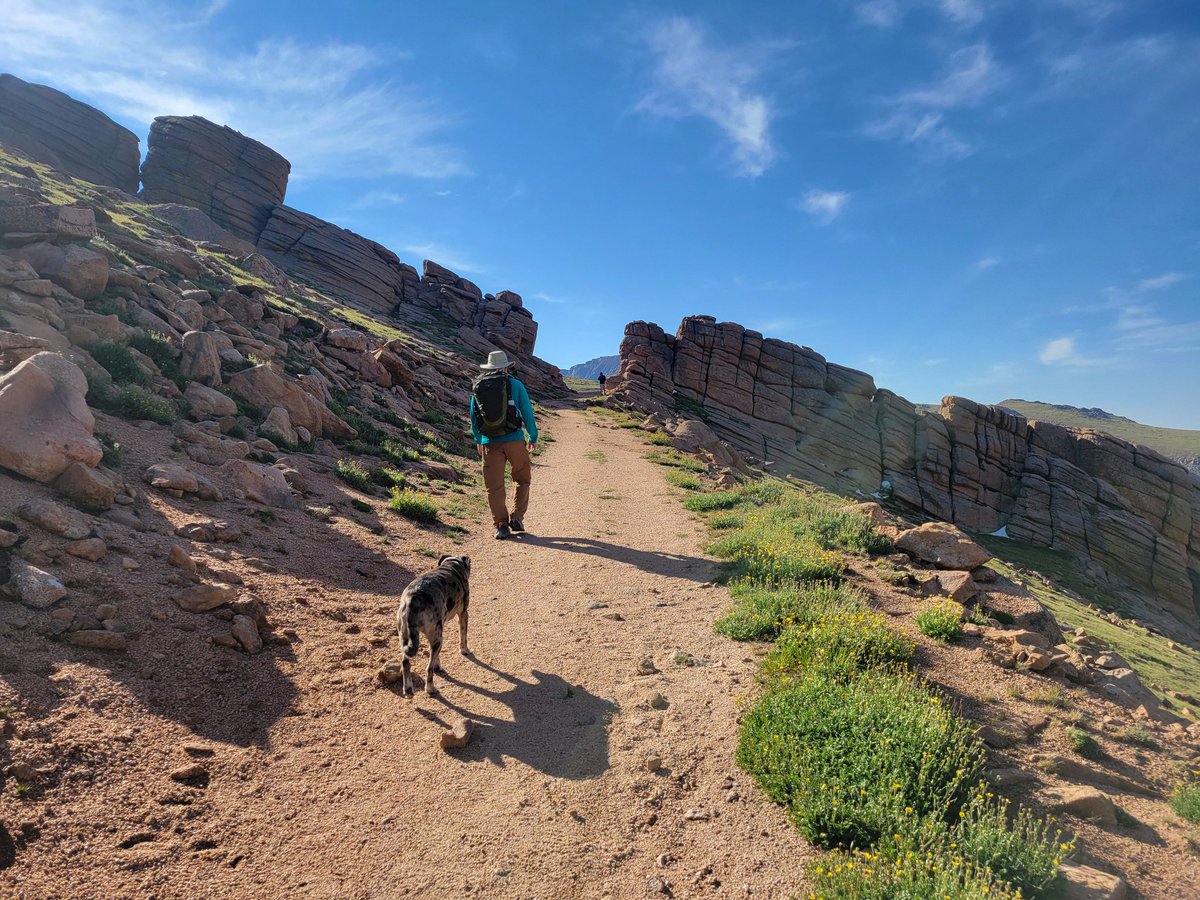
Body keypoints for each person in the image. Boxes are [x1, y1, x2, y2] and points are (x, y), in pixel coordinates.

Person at [469, 350, 538, 540]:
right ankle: (517, 517)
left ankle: (501, 525)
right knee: (522, 478)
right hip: (515, 439)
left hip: (490, 442)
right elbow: (527, 411)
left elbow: (474, 415)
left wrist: (478, 439)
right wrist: (533, 436)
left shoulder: (479, 386)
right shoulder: (515, 384)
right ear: (506, 367)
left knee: (494, 486)